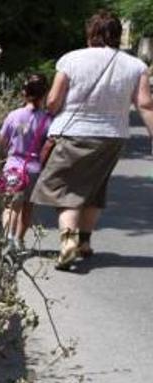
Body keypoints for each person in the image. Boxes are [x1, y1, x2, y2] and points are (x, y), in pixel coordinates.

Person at [31, 10, 153, 270]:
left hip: (73, 134)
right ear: (118, 36)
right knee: (95, 189)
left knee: (65, 190)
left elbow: (53, 101)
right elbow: (145, 104)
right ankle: (84, 242)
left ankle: (68, 242)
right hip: (112, 138)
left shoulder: (71, 60)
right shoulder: (136, 66)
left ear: (90, 34)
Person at [0, 74, 51, 253]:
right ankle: (20, 239)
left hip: (13, 166)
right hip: (34, 169)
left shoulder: (14, 115)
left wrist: (7, 153)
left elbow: (2, 141)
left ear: (24, 93)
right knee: (27, 208)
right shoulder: (47, 120)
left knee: (10, 206)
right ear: (45, 94)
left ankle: (8, 239)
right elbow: (48, 145)